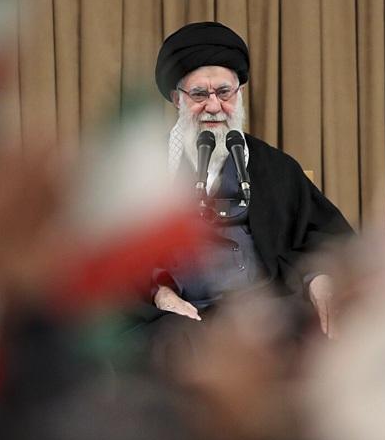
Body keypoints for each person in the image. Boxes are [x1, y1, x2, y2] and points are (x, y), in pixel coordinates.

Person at [149, 21, 353, 337]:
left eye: (224, 92)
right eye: (200, 94)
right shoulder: (147, 172)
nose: (214, 106)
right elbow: (115, 263)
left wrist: (319, 277)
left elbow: (327, 239)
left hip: (267, 321)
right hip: (183, 323)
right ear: (177, 99)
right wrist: (159, 293)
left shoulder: (275, 168)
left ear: (240, 93)